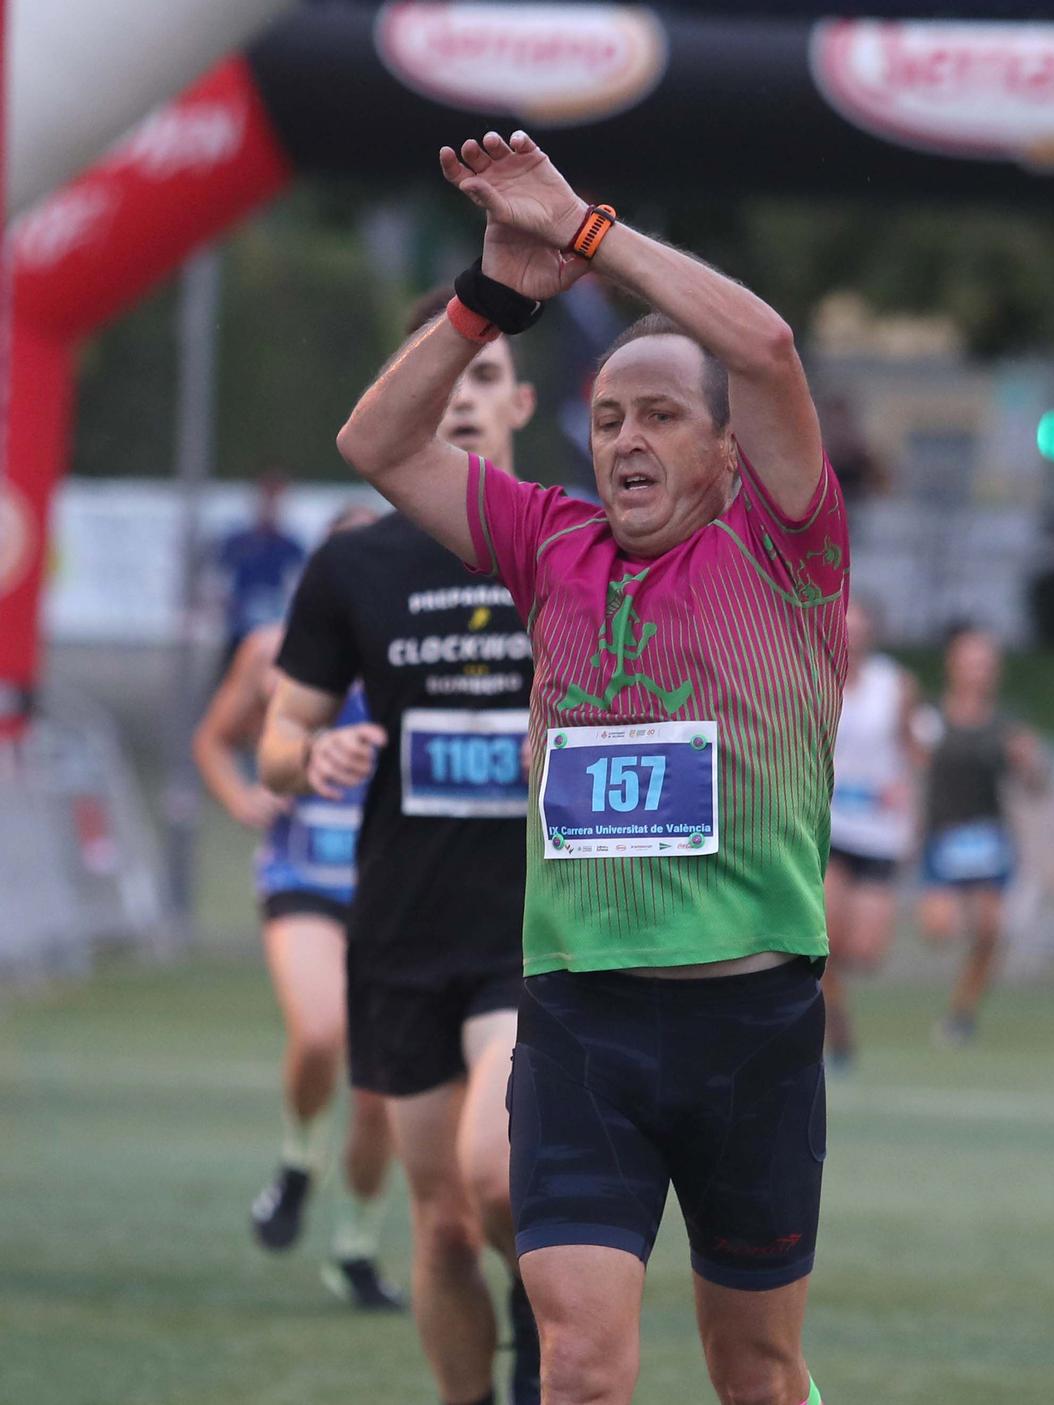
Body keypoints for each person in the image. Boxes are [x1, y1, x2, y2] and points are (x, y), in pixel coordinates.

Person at [335, 129, 848, 1405]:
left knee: (758, 1371)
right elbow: (380, 444)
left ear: (728, 454)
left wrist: (590, 237)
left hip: (753, 1026)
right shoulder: (548, 544)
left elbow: (765, 349)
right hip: (580, 1021)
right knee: (578, 1369)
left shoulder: (784, 551)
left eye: (661, 417)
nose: (625, 437)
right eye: (607, 416)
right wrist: (491, 296)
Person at [260, 289, 541, 1405]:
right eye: (441, 377)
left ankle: (547, 1357)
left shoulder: (565, 547)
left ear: (519, 402)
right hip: (401, 931)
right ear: (405, 397)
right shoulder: (353, 568)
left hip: (539, 930)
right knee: (441, 1223)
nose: (462, 399)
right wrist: (305, 761)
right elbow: (284, 732)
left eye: (482, 379)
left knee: (504, 1176)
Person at [192, 502, 402, 1309]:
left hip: (391, 881)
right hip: (303, 874)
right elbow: (215, 737)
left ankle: (353, 1247)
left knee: (384, 1089)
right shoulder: (274, 650)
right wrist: (245, 793)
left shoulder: (416, 651)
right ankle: (299, 1156)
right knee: (320, 1031)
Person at [917, 624, 1044, 1048]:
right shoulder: (929, 717)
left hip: (989, 836)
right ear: (952, 665)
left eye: (985, 663)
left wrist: (1028, 764)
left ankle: (963, 1010)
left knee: (990, 929)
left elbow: (1034, 786)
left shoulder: (1007, 724)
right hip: (943, 836)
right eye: (970, 661)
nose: (978, 670)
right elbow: (909, 767)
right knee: (938, 929)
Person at [823, 595, 921, 1068]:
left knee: (864, 952)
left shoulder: (896, 684)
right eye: (845, 626)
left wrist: (912, 798)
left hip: (880, 831)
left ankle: (834, 1001)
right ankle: (836, 1026)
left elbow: (915, 750)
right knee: (822, 940)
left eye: (860, 627)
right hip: (830, 825)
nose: (852, 635)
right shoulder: (814, 676)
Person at [213, 471, 307, 666]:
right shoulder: (236, 543)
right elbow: (216, 581)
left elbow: (298, 585)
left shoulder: (291, 547)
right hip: (239, 632)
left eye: (276, 500)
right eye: (266, 498)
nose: (270, 506)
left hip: (275, 633)